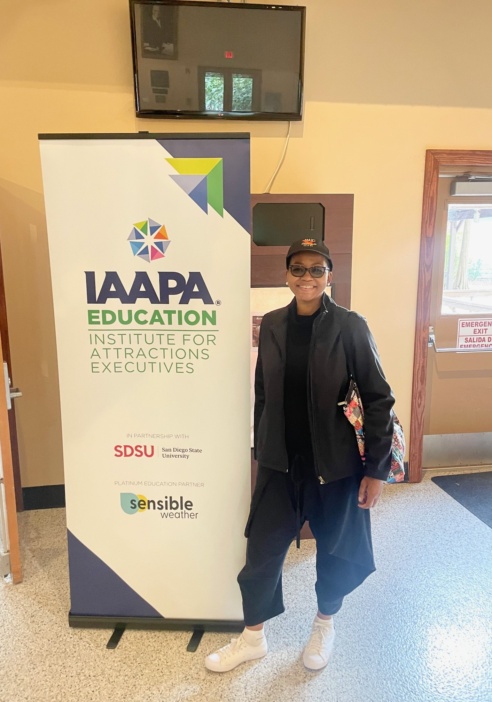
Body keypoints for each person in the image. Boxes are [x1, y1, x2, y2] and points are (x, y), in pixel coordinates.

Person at [205, 237, 395, 673]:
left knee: (335, 552)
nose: (306, 277)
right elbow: (263, 393)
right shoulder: (272, 323)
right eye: (298, 268)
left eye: (316, 269)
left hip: (337, 467)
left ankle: (324, 625)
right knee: (261, 553)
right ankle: (253, 638)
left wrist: (376, 470)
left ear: (329, 275)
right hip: (280, 465)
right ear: (287, 274)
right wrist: (262, 448)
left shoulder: (350, 326)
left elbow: (378, 398)